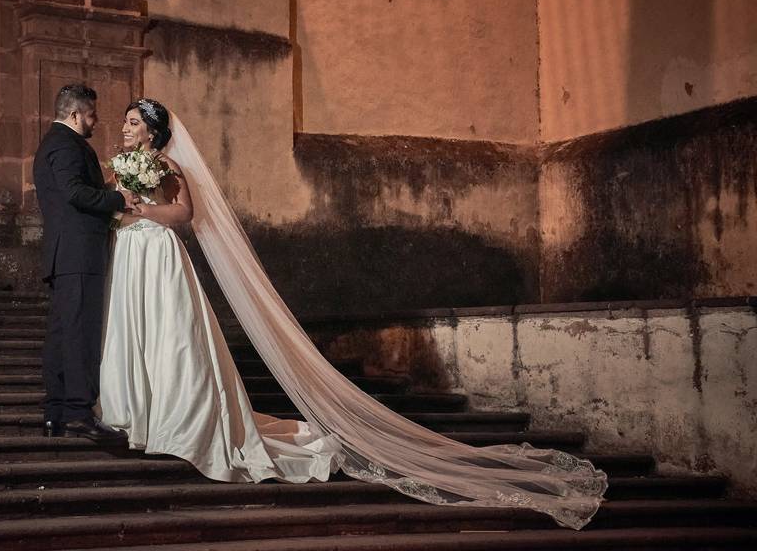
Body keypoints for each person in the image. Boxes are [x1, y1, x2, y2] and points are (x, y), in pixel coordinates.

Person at [98, 98, 608, 529]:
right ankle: (137, 411)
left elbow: (184, 214)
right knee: (135, 335)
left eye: (134, 122)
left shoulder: (169, 168)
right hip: (130, 254)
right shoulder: (120, 164)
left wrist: (141, 210)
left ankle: (178, 419)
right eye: (124, 122)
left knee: (174, 338)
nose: (125, 128)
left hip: (158, 253)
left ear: (155, 131)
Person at [32, 84, 141, 441]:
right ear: (75, 115)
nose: (95, 122)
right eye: (91, 115)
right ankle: (78, 412)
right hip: (78, 251)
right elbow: (74, 191)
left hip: (68, 252)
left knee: (63, 333)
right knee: (79, 333)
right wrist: (116, 198)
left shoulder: (54, 142)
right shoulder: (66, 144)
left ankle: (55, 413)